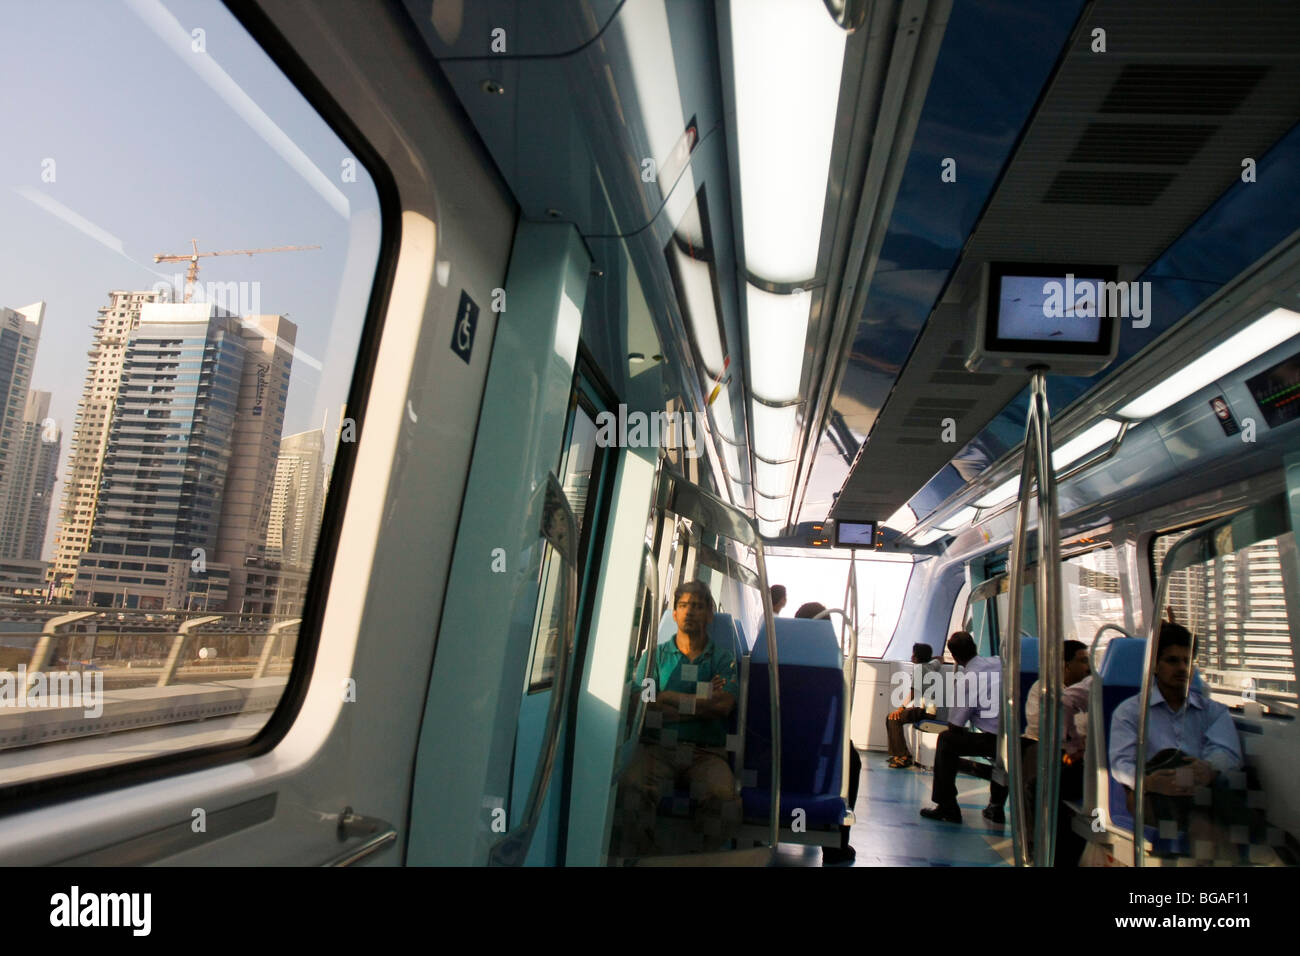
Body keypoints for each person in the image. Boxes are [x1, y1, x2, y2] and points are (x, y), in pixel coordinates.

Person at [619, 581, 741, 856]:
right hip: (657, 748)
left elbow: (722, 707)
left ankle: (699, 860)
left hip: (706, 753)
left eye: (697, 606)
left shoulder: (722, 660)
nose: (689, 612)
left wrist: (667, 697)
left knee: (723, 800)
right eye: (683, 606)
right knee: (630, 789)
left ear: (710, 614)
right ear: (674, 614)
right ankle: (644, 859)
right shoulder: (655, 657)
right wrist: (701, 704)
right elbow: (643, 707)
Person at [1108, 622, 1244, 855]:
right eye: (1172, 661)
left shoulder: (1213, 711)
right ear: (1154, 666)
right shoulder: (1131, 712)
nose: (1182, 668)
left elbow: (1227, 752)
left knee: (1222, 786)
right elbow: (1121, 764)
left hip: (1201, 787)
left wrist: (1207, 769)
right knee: (1170, 760)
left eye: (1187, 661)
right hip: (1152, 791)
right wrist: (1149, 782)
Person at [793, 600, 858, 864]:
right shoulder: (832, 661)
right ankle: (837, 844)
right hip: (817, 741)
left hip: (775, 741)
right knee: (851, 761)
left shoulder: (778, 653)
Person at [919, 631, 1005, 825]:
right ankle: (996, 805)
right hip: (1021, 736)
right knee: (1002, 753)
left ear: (955, 657)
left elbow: (955, 725)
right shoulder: (999, 662)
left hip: (994, 740)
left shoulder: (968, 680)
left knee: (947, 741)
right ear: (974, 647)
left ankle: (947, 806)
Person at [1021, 639, 1090, 863]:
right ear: (1066, 665)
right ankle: (1034, 845)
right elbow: (1038, 724)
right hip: (1042, 744)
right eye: (1082, 661)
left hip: (1077, 752)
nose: (1087, 667)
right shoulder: (1042, 689)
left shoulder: (1091, 692)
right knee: (1036, 775)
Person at [885, 642, 943, 768]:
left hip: (924, 710)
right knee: (891, 717)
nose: (911, 656)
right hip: (930, 710)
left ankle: (903, 756)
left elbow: (912, 692)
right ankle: (897, 755)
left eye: (913, 654)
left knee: (892, 718)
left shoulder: (919, 669)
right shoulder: (931, 665)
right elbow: (940, 659)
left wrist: (901, 709)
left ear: (916, 657)